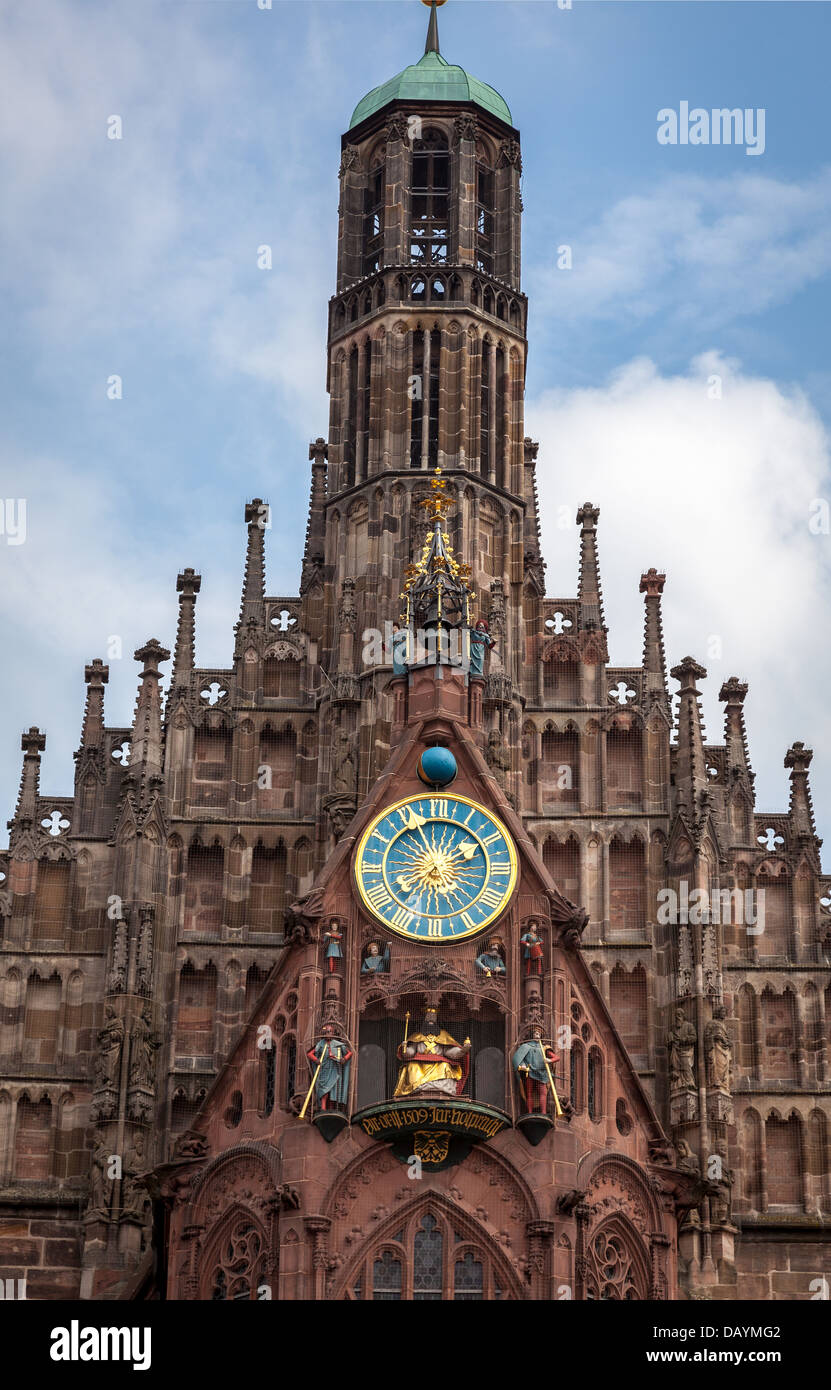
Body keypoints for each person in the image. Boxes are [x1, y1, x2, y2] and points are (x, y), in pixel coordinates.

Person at [394, 1008, 470, 1098]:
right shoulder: (417, 1035)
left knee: (445, 1066)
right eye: (428, 1017)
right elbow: (411, 1052)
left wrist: (462, 1051)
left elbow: (449, 1052)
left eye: (433, 1017)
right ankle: (417, 1088)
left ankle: (440, 1089)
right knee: (412, 1066)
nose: (431, 1019)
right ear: (424, 1020)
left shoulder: (443, 1035)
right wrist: (405, 1048)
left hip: (439, 1063)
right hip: (419, 1063)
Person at [512, 1027, 559, 1115]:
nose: (537, 1035)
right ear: (532, 1035)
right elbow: (517, 1058)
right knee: (528, 1093)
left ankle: (543, 1113)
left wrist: (550, 1060)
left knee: (543, 1093)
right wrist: (523, 1065)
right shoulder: (526, 1046)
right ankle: (529, 1112)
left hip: (542, 1074)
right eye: (535, 1033)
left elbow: (556, 1057)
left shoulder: (545, 1048)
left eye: (538, 1034)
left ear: (541, 1036)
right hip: (530, 1072)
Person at [306, 1024, 352, 1112]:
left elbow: (349, 1053)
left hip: (335, 1070)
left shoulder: (338, 1044)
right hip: (324, 1069)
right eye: (326, 1032)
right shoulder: (321, 1044)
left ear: (333, 1033)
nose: (328, 1033)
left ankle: (331, 1109)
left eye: (330, 1031)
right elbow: (310, 1054)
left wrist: (344, 1059)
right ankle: (323, 1108)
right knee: (324, 1090)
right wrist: (316, 1060)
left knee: (333, 1091)